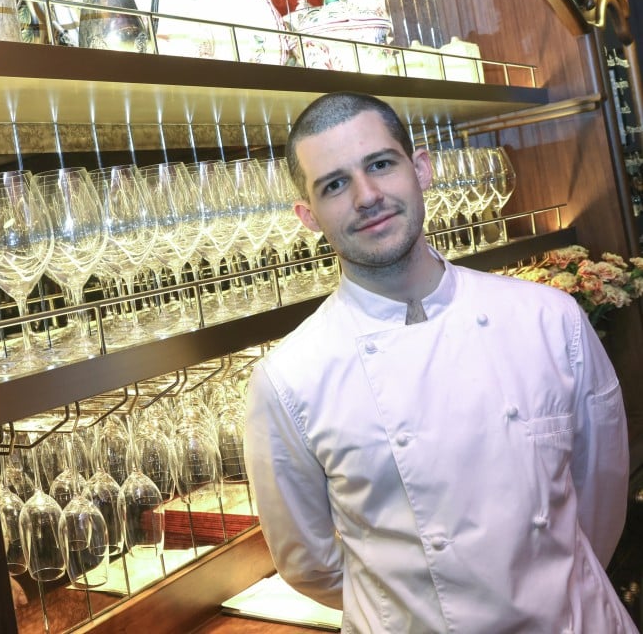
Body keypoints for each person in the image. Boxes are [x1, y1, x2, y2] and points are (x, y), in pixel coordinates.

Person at [243, 91, 636, 633]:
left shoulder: (550, 318)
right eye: (334, 184)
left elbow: (602, 494)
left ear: (422, 170)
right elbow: (309, 565)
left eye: (381, 164)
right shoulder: (287, 379)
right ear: (308, 217)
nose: (366, 196)